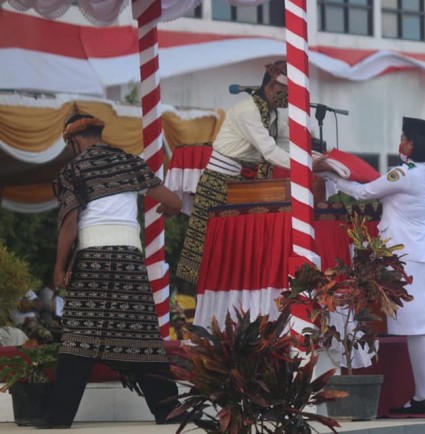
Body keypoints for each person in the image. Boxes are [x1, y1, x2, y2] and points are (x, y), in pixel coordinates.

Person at [39, 114, 186, 428]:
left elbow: (69, 223)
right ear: (98, 133)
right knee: (143, 337)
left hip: (92, 261)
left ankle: (59, 417)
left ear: (75, 142)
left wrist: (59, 267)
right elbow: (172, 200)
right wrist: (169, 209)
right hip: (130, 264)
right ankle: (169, 412)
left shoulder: (73, 169)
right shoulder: (129, 163)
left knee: (79, 338)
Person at [321, 117, 425, 414]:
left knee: (417, 329)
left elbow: (363, 192)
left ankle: (423, 398)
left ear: (413, 144)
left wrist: (332, 177)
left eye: (404, 138)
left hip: (406, 257)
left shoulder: (405, 173)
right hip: (423, 252)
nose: (400, 142)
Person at [175, 59, 292, 285]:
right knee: (208, 252)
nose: (289, 98)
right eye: (286, 92)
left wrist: (314, 158)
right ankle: (192, 309)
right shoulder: (247, 110)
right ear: (272, 86)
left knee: (233, 255)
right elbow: (270, 152)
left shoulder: (275, 113)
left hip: (240, 185)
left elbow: (286, 147)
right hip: (219, 182)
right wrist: (307, 165)